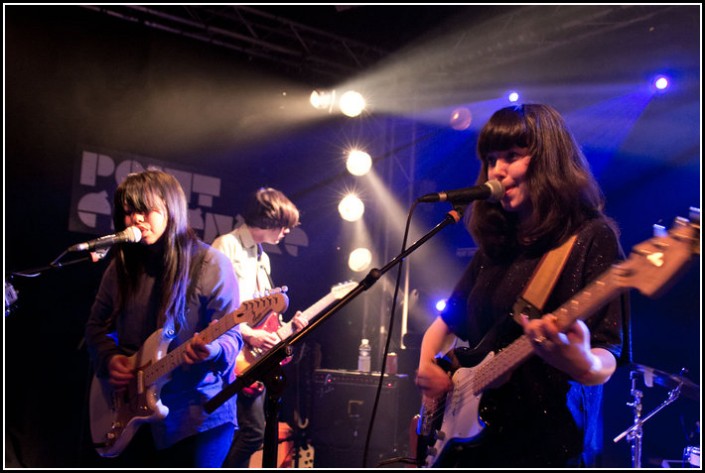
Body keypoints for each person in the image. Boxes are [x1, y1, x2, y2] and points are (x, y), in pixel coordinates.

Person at [414, 104, 630, 468]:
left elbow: (609, 353)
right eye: (491, 158)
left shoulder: (591, 237)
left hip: (548, 446)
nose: (497, 169)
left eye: (512, 156)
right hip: (473, 446)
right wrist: (428, 371)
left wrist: (582, 362)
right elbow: (445, 324)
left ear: (548, 159)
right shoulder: (498, 243)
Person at [85, 169, 242, 468]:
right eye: (128, 212)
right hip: (134, 415)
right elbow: (96, 327)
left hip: (198, 416)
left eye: (145, 210)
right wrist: (109, 358)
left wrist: (214, 349)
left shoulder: (211, 264)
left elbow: (231, 335)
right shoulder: (120, 267)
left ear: (171, 208)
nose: (136, 220)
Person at [213, 187, 308, 468]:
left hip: (253, 358)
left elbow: (264, 314)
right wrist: (248, 334)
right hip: (230, 354)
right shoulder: (226, 245)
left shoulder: (262, 258)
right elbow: (217, 309)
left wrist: (289, 326)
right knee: (246, 432)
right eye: (284, 225)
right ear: (268, 219)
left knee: (249, 432)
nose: (287, 232)